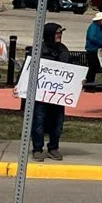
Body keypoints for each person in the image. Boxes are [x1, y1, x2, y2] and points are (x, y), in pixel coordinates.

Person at [32, 22, 72, 161]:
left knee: (58, 123)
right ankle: (37, 148)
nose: (59, 35)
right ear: (49, 35)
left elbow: (71, 69)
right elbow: (28, 69)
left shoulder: (63, 50)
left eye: (60, 33)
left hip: (58, 95)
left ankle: (53, 148)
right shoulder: (38, 50)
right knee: (39, 122)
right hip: (41, 94)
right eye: (57, 33)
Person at [83, 10, 102, 91]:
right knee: (92, 68)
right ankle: (89, 84)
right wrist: (101, 43)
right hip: (92, 50)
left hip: (97, 49)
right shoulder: (94, 27)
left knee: (93, 68)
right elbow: (91, 37)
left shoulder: (99, 27)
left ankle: (90, 83)